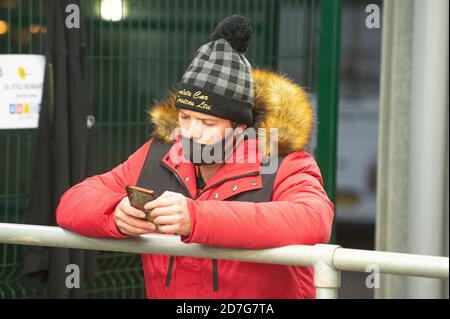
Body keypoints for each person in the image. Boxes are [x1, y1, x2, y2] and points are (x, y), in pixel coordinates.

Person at [56, 15, 334, 299]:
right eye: (185, 117)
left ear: (240, 128)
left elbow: (314, 219)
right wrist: (114, 213)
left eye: (208, 123)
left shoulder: (281, 160)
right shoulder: (159, 153)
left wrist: (196, 219)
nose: (191, 132)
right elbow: (72, 202)